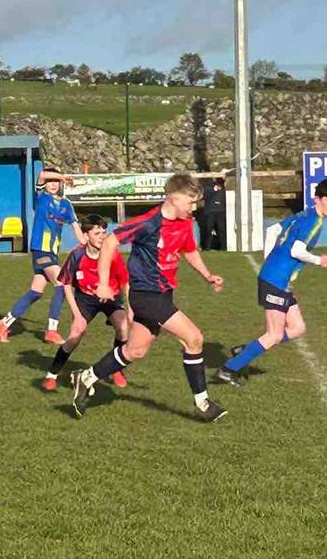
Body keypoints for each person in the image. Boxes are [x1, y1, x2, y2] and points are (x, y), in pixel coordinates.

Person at [68, 173, 226, 423]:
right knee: (194, 338)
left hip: (163, 294)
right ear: (174, 198)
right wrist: (103, 283)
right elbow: (109, 243)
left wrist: (207, 275)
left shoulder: (184, 222)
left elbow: (189, 250)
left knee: (135, 350)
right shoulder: (149, 222)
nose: (194, 207)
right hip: (146, 295)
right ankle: (203, 403)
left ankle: (86, 377)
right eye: (191, 201)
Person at [218, 179, 327, 386]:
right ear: (317, 199)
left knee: (297, 327)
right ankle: (228, 369)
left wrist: (270, 259)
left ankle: (245, 350)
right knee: (274, 335)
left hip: (278, 279)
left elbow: (272, 230)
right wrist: (319, 260)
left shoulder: (303, 215)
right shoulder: (313, 221)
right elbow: (296, 251)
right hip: (275, 281)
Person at [0, 167, 84, 344]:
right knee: (61, 284)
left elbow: (76, 227)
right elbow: (42, 175)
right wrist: (63, 176)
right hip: (40, 250)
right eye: (50, 181)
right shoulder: (42, 198)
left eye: (55, 182)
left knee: (36, 292)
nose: (52, 184)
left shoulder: (66, 205)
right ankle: (51, 331)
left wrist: (87, 244)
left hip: (52, 253)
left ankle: (3, 324)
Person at [42, 215, 130, 392]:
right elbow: (66, 284)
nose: (102, 237)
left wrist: (129, 309)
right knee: (76, 333)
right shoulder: (76, 255)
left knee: (123, 328)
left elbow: (124, 282)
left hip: (111, 297)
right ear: (85, 235)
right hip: (85, 298)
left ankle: (117, 369)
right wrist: (77, 314)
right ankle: (52, 374)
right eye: (97, 233)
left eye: (104, 233)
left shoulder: (112, 253)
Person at [201, 176, 228, 250]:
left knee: (222, 230)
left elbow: (226, 200)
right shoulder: (209, 188)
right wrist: (214, 190)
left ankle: (223, 247)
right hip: (211, 213)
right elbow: (204, 197)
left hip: (221, 212)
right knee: (209, 229)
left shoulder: (224, 190)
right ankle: (207, 247)